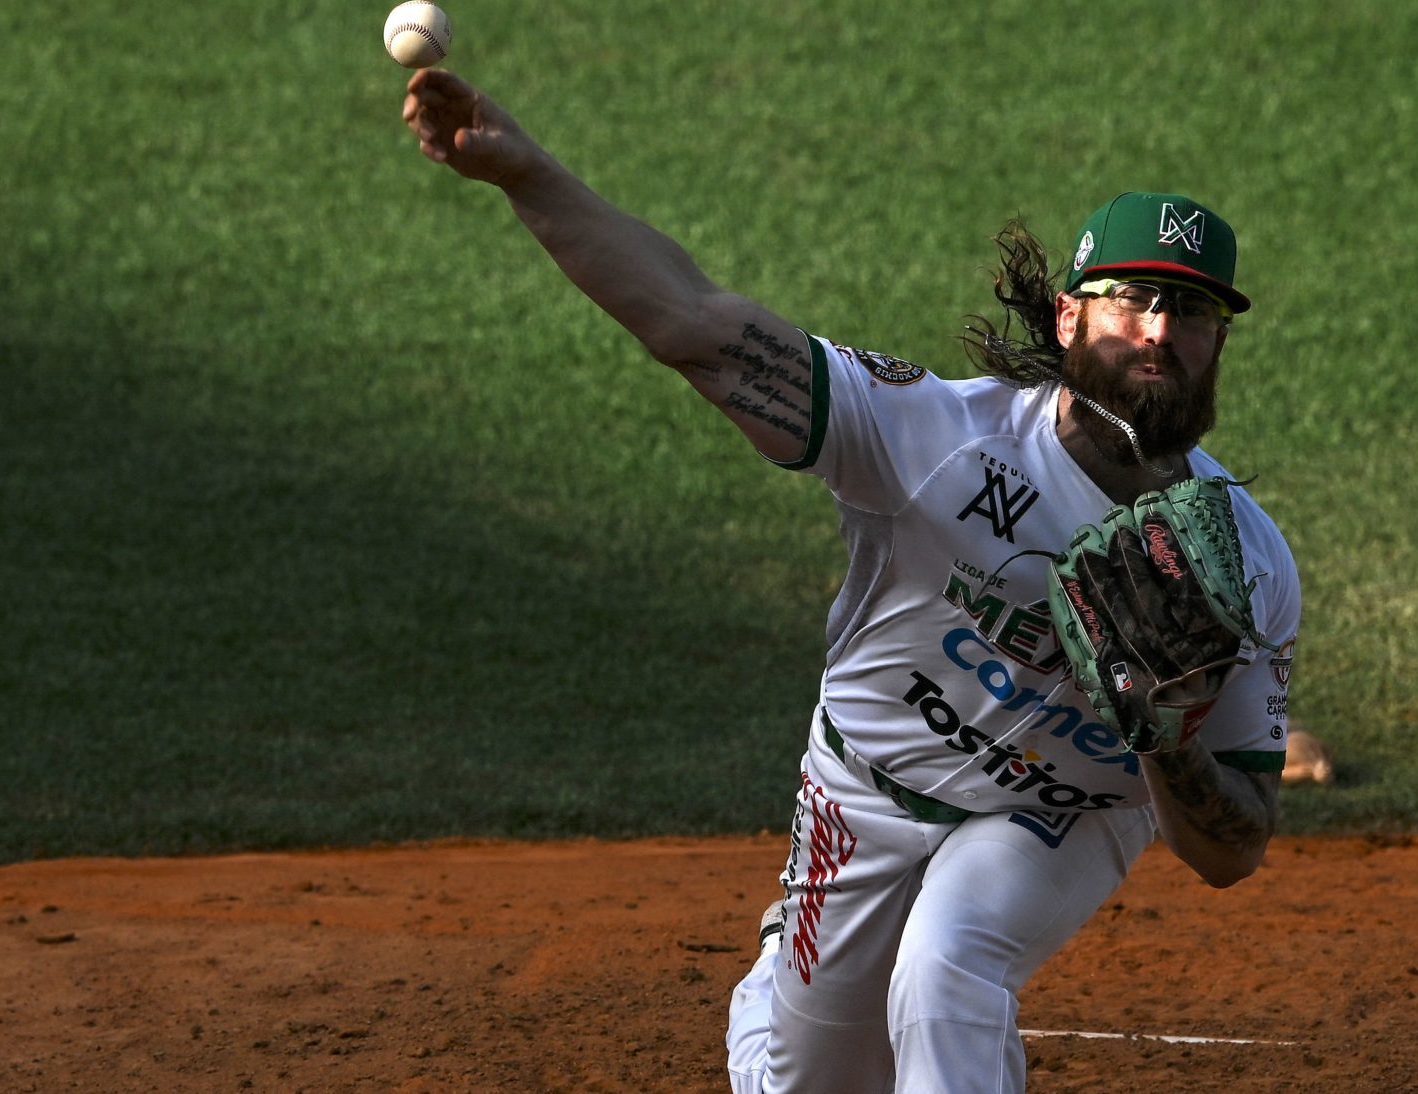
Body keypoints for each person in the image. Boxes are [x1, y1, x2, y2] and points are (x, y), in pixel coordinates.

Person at [402, 68, 1301, 1093]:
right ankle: (774, 989)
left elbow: (1231, 847)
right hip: (867, 796)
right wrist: (526, 173)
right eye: (1133, 297)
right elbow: (694, 322)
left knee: (949, 964)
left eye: (1189, 311)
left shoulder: (1244, 568)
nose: (1157, 330)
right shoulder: (935, 439)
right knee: (808, 1076)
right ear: (1065, 320)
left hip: (1062, 810)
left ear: (1217, 340)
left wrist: (1163, 741)